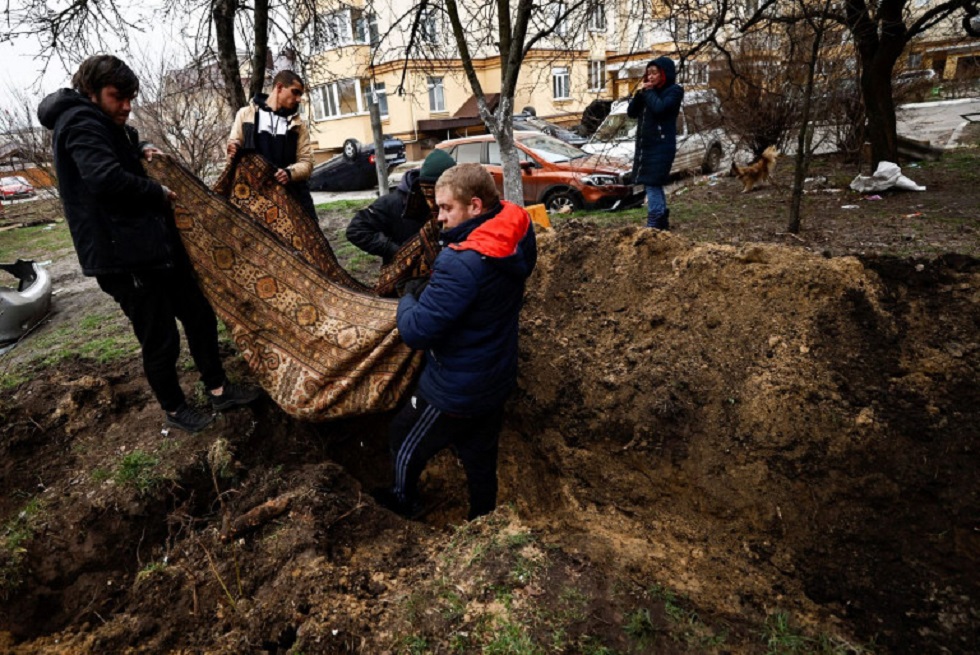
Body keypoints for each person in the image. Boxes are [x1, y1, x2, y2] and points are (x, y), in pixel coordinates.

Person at [37, 54, 260, 434]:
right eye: (117, 97)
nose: (126, 106)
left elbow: (125, 147)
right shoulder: (79, 121)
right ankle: (175, 408)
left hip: (150, 247)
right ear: (91, 92)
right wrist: (156, 191)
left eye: (130, 98)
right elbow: (105, 179)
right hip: (122, 257)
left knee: (198, 313)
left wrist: (143, 147)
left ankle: (219, 389)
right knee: (160, 337)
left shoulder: (101, 120)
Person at [374, 163, 537, 521]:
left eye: (446, 209)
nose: (439, 219)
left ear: (476, 206)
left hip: (454, 389)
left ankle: (403, 501)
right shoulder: (517, 226)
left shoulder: (461, 263)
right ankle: (483, 518)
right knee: (480, 454)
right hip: (496, 374)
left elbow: (416, 330)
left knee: (403, 437)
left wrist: (408, 297)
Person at [227, 70, 317, 218]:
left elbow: (307, 162)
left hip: (293, 198)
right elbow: (232, 157)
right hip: (256, 199)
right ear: (279, 87)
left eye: (300, 94)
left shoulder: (298, 124)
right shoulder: (245, 115)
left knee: (313, 240)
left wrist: (290, 173)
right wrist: (232, 149)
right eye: (295, 92)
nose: (299, 99)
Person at [345, 149, 456, 264]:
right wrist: (396, 251)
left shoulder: (460, 204)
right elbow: (356, 230)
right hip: (406, 277)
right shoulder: (392, 203)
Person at [628, 56, 684, 230]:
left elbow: (660, 109)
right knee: (653, 183)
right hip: (647, 147)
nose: (650, 77)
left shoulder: (674, 91)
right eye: (648, 73)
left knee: (652, 183)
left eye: (654, 73)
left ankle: (654, 222)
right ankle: (661, 223)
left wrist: (649, 93)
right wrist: (640, 94)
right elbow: (631, 112)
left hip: (661, 146)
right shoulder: (647, 93)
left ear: (664, 74)